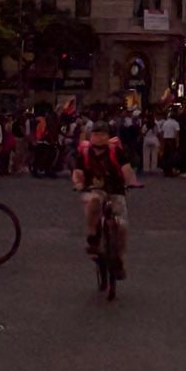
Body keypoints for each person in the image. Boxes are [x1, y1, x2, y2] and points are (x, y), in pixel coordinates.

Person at [73, 116, 130, 272]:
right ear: (91, 136)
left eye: (102, 134)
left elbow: (126, 169)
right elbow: (77, 171)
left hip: (116, 191)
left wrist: (131, 182)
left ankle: (119, 258)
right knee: (94, 202)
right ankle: (92, 237)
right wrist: (78, 183)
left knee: (122, 226)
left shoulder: (115, 152)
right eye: (96, 134)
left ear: (108, 136)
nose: (99, 138)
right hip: (94, 189)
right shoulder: (85, 152)